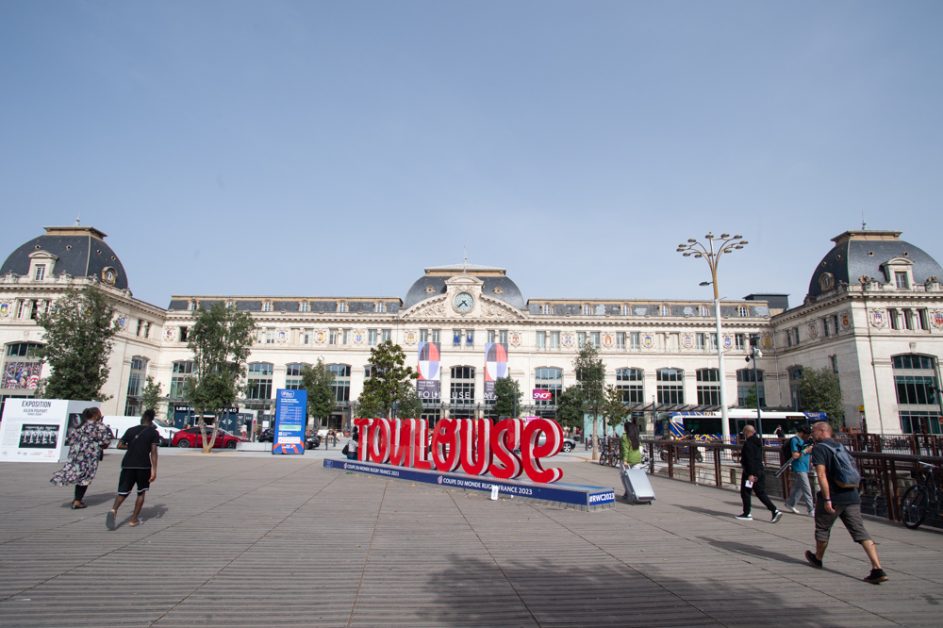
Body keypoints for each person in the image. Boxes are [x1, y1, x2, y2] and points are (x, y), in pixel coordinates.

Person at [804, 421, 887, 584]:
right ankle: (877, 568)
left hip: (834, 496)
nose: (811, 434)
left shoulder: (820, 448)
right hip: (852, 495)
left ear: (822, 431)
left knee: (822, 528)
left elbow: (821, 476)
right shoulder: (840, 446)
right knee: (859, 530)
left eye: (814, 431)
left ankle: (818, 558)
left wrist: (827, 499)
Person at [106, 409, 161, 530]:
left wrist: (131, 446)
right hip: (143, 465)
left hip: (127, 464)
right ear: (151, 420)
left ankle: (114, 509)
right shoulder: (153, 432)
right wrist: (154, 470)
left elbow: (119, 445)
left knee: (123, 491)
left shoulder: (130, 430)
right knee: (141, 492)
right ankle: (133, 519)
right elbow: (153, 452)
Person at [50, 407, 112, 509]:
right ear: (96, 414)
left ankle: (76, 498)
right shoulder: (99, 426)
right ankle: (78, 501)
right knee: (85, 477)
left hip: (76, 454)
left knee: (78, 474)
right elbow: (105, 441)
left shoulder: (80, 425)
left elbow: (69, 439)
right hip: (90, 456)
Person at [736, 425, 783, 523]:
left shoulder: (748, 444)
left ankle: (748, 513)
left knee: (746, 492)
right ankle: (774, 510)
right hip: (759, 470)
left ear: (746, 432)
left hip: (750, 473)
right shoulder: (757, 442)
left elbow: (749, 460)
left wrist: (750, 474)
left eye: (744, 433)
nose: (743, 434)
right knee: (759, 492)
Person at [784, 425, 815, 515]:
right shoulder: (795, 440)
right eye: (807, 434)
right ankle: (811, 509)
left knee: (799, 487)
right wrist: (805, 451)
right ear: (802, 433)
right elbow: (795, 455)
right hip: (799, 466)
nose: (808, 436)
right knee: (806, 488)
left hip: (805, 466)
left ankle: (790, 503)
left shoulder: (806, 440)